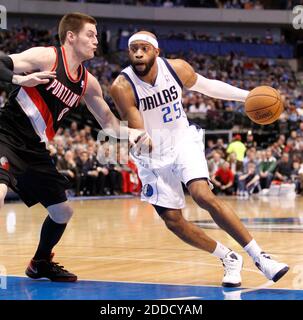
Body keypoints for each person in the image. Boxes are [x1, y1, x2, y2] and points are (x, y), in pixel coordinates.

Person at [110, 30, 289, 287]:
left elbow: (208, 87)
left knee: (203, 195)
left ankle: (260, 257)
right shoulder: (122, 86)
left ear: (156, 52)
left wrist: (246, 96)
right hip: (152, 153)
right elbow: (134, 120)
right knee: (173, 221)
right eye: (133, 49)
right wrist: (141, 139)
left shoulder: (177, 69)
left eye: (144, 48)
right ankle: (228, 257)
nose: (138, 53)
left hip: (182, 140)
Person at [0, 13, 148, 282]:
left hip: (35, 149)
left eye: (96, 35)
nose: (96, 40)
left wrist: (135, 134)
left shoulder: (88, 83)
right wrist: (21, 80)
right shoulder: (47, 57)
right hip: (6, 133)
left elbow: (110, 126)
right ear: (71, 36)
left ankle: (40, 263)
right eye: (90, 34)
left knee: (62, 211)